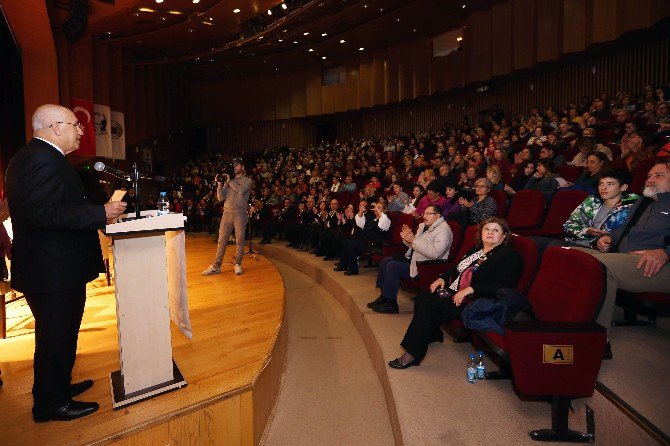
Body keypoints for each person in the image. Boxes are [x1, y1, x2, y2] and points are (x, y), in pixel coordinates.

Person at [5, 104, 127, 422]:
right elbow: (45, 214)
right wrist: (100, 214)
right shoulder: (40, 160)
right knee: (55, 337)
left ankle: (57, 388)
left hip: (54, 268)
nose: (81, 130)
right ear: (56, 127)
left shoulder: (40, 157)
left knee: (60, 334)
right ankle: (49, 404)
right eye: (76, 125)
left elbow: (54, 207)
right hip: (51, 271)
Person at [388, 218, 523, 368]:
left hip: (474, 302)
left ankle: (412, 354)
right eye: (487, 229)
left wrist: (471, 289)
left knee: (429, 304)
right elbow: (456, 268)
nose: (490, 233)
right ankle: (433, 333)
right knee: (423, 297)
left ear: (504, 236)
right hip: (454, 293)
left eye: (496, 230)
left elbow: (503, 285)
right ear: (481, 233)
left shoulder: (509, 256)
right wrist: (443, 279)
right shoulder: (476, 250)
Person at [575, 158, 670, 345]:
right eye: (649, 176)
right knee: (573, 255)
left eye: (659, 176)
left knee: (600, 267)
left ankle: (597, 341)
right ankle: (567, 323)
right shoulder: (645, 202)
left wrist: (665, 252)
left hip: (658, 265)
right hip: (626, 257)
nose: (650, 179)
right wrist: (608, 238)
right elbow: (625, 229)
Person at [369, 205, 453, 314]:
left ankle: (391, 304)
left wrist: (413, 240)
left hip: (426, 265)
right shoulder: (424, 226)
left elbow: (435, 253)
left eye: (428, 214)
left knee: (393, 266)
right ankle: (384, 296)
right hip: (415, 257)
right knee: (386, 261)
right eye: (424, 213)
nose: (424, 216)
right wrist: (408, 238)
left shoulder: (443, 230)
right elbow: (414, 245)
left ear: (438, 216)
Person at [202, 158, 253, 276]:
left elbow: (241, 191)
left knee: (240, 240)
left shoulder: (247, 181)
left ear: (243, 167)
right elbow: (220, 198)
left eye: (237, 165)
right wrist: (220, 185)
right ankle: (216, 267)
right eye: (234, 165)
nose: (235, 167)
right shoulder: (229, 181)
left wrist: (229, 181)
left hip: (240, 214)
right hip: (227, 213)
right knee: (221, 241)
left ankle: (238, 264)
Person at [334, 200, 390, 275]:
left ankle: (353, 269)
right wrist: (361, 211)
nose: (376, 209)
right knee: (347, 242)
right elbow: (360, 224)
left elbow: (383, 225)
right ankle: (343, 265)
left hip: (374, 243)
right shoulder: (372, 218)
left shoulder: (386, 220)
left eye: (379, 207)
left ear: (384, 210)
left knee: (352, 245)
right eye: (376, 207)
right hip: (365, 241)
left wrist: (379, 211)